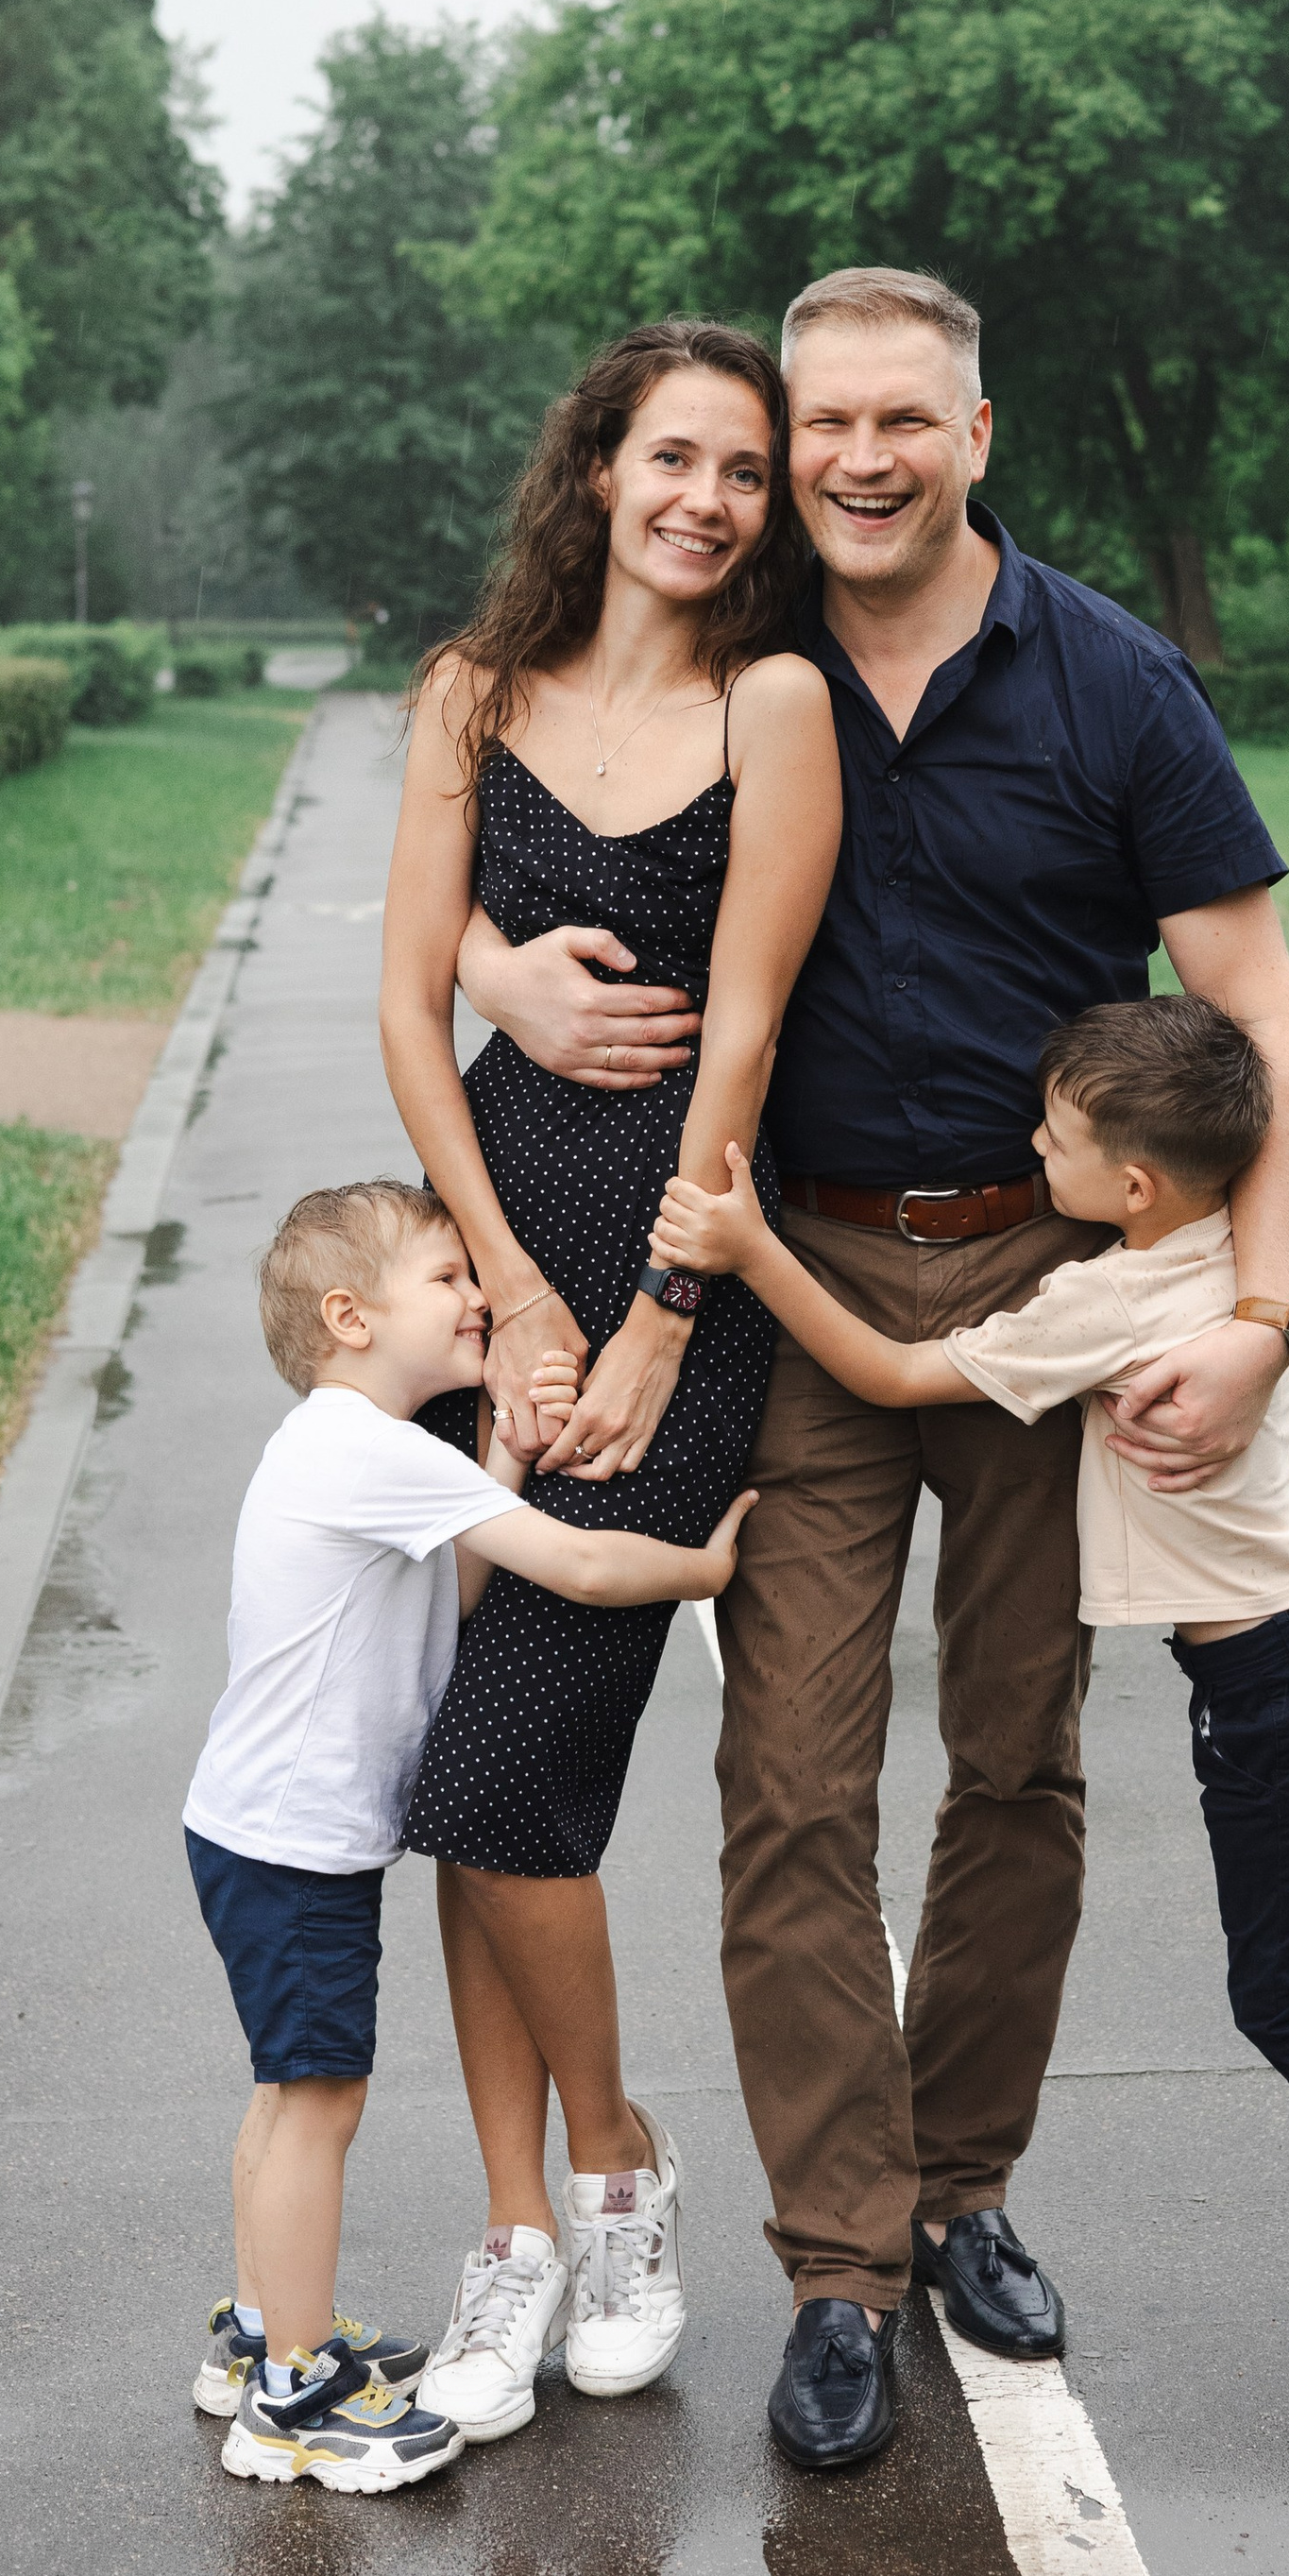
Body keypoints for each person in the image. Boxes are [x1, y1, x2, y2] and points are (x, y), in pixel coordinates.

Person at [455, 266, 1289, 2468]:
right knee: (790, 1785)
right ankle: (837, 2265)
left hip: (1048, 1293)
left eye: (897, 421)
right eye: (818, 421)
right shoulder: (739, 655)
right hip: (797, 1273)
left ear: (974, 434)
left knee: (1018, 1763)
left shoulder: (1111, 681)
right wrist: (489, 966)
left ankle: (963, 2193)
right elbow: (517, 787)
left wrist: (1254, 1316)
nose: (851, 460)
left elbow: (1258, 1013)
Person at [656, 998, 1289, 2395]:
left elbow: (894, 1371)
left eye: (1055, 1137)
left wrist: (749, 1247)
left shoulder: (1108, 1297)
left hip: (1271, 1683)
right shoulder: (1222, 1259)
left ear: (1132, 1186)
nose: (1030, 1147)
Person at [379, 318, 841, 2441]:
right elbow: (409, 1008)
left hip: (681, 1282)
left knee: (500, 1775)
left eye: (743, 470)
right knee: (470, 1782)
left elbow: (744, 1030)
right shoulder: (469, 695)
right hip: (481, 1282)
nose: (707, 500)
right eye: (673, 457)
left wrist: (654, 1314)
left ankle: (622, 2167)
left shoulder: (774, 703)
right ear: (597, 469)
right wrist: (503, 1294)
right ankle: (515, 2232)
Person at [183, 1180, 750, 2490]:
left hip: (254, 1830)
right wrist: (704, 1570)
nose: (478, 1296)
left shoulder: (339, 1446)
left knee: (285, 2095)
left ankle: (262, 2332)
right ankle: (294, 2395)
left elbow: (451, 1591)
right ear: (351, 1318)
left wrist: (500, 1457)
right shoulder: (364, 1449)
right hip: (295, 1849)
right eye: (447, 1279)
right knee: (318, 2101)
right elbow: (582, 1568)